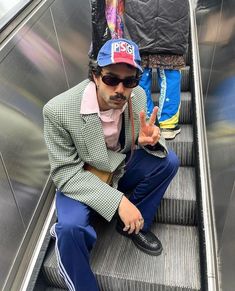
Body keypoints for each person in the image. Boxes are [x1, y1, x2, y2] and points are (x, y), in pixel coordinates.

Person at [43, 38, 179, 291]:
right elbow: (64, 173)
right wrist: (118, 202)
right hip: (82, 176)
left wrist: (145, 141)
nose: (120, 89)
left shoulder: (136, 95)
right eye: (111, 79)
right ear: (95, 76)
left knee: (168, 161)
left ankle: (135, 226)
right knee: (70, 229)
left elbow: (133, 141)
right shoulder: (59, 110)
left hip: (118, 167)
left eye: (129, 81)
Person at [123, 0, 190, 139]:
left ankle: (146, 120)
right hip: (173, 22)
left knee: (141, 73)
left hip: (139, 19)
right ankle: (168, 124)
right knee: (170, 73)